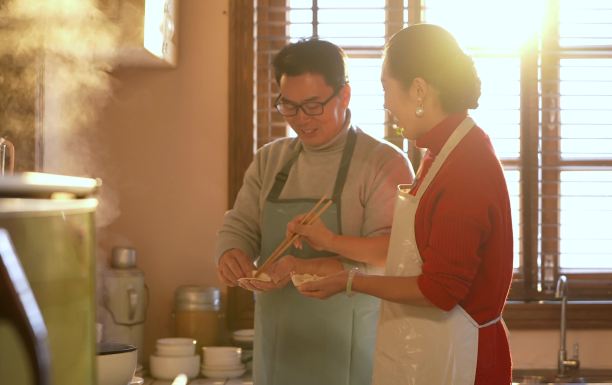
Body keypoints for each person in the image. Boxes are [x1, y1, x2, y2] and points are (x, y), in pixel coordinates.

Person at [290, 24, 514, 385]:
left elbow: (439, 290)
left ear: (419, 89)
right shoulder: (440, 152)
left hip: (466, 361)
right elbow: (410, 255)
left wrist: (351, 282)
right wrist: (328, 247)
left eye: (385, 88)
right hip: (438, 352)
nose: (386, 103)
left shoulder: (465, 166)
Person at [214, 38, 414, 385]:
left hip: (352, 351)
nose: (300, 120)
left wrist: (303, 265)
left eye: (312, 106)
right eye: (288, 107)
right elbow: (242, 223)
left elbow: (389, 258)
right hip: (279, 347)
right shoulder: (270, 160)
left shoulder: (384, 163)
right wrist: (232, 251)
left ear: (345, 95)